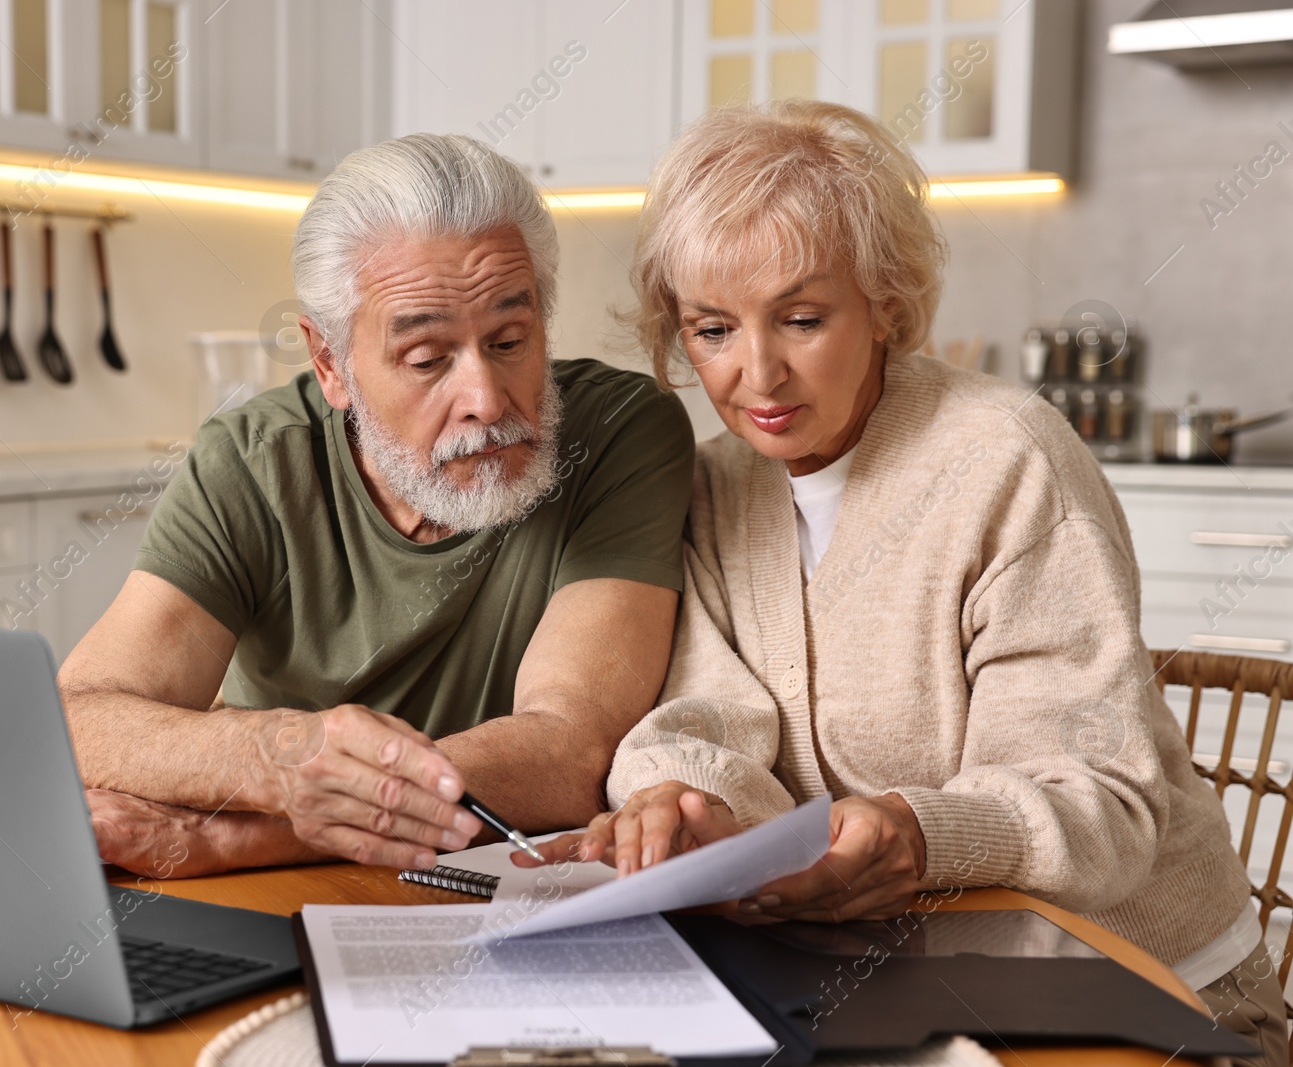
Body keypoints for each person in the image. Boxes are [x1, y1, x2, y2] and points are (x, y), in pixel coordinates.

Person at [518, 101, 1285, 1063]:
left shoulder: (1008, 460)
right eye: (712, 329)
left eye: (802, 318)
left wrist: (920, 834)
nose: (758, 373)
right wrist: (683, 796)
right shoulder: (713, 485)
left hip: (1144, 994)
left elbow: (1102, 799)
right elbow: (705, 712)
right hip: (885, 991)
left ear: (883, 300)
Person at [58, 133, 695, 881]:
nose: (487, 400)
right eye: (428, 360)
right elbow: (78, 716)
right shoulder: (256, 460)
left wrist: (256, 834)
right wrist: (280, 757)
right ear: (331, 364)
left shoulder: (621, 432)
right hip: (280, 895)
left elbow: (570, 753)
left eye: (511, 340)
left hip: (481, 883)